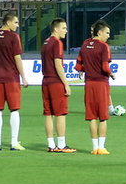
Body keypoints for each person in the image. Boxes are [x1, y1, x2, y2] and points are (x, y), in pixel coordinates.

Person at [0, 12, 29, 151]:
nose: (17, 25)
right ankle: (14, 142)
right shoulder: (14, 37)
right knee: (14, 109)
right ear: (8, 22)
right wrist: (24, 77)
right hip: (12, 79)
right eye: (15, 22)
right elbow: (17, 58)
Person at [76, 19, 115, 154]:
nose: (108, 36)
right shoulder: (104, 47)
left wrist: (81, 71)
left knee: (92, 116)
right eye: (107, 33)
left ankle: (94, 148)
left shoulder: (85, 44)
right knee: (103, 116)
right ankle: (101, 147)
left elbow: (79, 64)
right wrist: (111, 74)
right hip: (101, 84)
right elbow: (105, 66)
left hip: (89, 84)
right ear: (99, 32)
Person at [41, 17, 76, 153]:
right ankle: (61, 144)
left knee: (48, 114)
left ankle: (51, 144)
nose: (66, 31)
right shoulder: (57, 43)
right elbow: (58, 65)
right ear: (56, 29)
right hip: (55, 81)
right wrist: (66, 84)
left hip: (45, 81)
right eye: (64, 28)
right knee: (60, 113)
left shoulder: (45, 43)